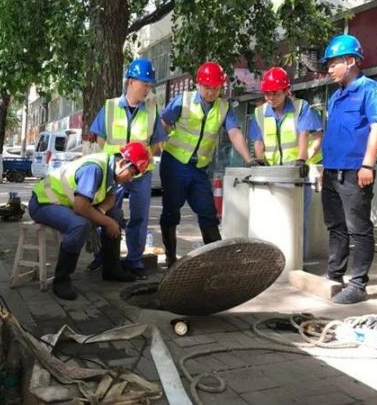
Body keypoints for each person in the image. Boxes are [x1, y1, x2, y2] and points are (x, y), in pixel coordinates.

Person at [159, 61, 255, 267]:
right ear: (198, 84)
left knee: (208, 212)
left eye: (216, 88)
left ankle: (217, 261)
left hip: (199, 168)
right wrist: (153, 151)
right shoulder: (182, 101)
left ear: (222, 87)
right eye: (207, 87)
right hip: (174, 164)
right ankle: (170, 259)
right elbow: (163, 125)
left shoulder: (224, 107)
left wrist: (250, 159)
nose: (211, 92)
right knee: (171, 212)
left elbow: (234, 132)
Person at [28, 142, 151, 300]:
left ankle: (111, 269)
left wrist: (101, 214)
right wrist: (106, 222)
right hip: (44, 203)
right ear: (122, 163)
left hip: (65, 204)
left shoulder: (112, 170)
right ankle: (61, 280)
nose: (131, 179)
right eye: (132, 173)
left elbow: (111, 198)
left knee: (115, 214)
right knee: (80, 224)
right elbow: (80, 207)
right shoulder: (95, 169)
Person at [319, 34, 377, 304]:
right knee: (336, 226)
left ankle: (358, 284)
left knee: (358, 228)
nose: (328, 69)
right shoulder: (335, 97)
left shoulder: (370, 89)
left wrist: (367, 164)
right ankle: (334, 275)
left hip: (355, 171)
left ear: (350, 61)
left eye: (333, 63)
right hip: (331, 171)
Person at [87, 58, 168, 279]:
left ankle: (134, 262)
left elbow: (156, 142)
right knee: (109, 213)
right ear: (131, 82)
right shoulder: (110, 106)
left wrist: (142, 160)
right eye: (145, 84)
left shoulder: (152, 109)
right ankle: (105, 258)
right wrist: (116, 161)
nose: (147, 90)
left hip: (141, 174)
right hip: (115, 173)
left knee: (139, 217)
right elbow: (100, 138)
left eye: (150, 86)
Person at [247, 67, 323, 260]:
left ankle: (297, 260)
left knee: (298, 218)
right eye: (267, 93)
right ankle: (273, 260)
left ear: (286, 91)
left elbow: (307, 134)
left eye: (275, 93)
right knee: (272, 218)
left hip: (296, 172)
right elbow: (258, 141)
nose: (271, 97)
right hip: (273, 174)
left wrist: (302, 160)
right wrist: (260, 160)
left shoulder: (300, 107)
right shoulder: (259, 113)